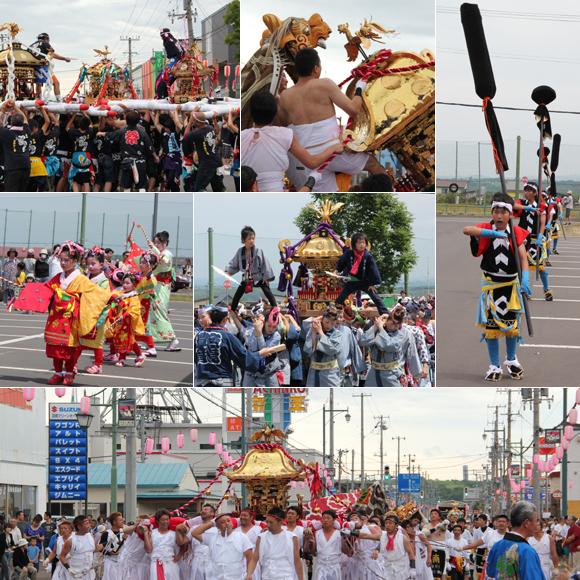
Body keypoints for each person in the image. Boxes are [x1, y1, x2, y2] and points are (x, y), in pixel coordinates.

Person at [278, 48, 388, 192]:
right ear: (316, 69)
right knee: (375, 166)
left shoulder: (286, 96)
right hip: (335, 154)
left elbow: (284, 124)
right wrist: (359, 89)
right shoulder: (325, 84)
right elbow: (353, 110)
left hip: (310, 160)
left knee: (326, 200)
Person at [463, 192, 531, 381]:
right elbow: (467, 230)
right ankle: (494, 365)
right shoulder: (486, 228)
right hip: (492, 287)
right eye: (495, 211)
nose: (499, 216)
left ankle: (511, 360)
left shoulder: (516, 232)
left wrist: (525, 278)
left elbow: (523, 257)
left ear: (510, 214)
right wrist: (493, 234)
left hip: (511, 287)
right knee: (491, 328)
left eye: (503, 212)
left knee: (511, 326)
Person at [241, 92, 343, 192]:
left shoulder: (242, 136)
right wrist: (332, 148)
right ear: (275, 113)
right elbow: (312, 162)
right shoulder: (285, 134)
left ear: (251, 113)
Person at [43, 241, 111, 385]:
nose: (63, 263)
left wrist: (112, 297)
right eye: (61, 259)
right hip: (56, 316)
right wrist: (31, 289)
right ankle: (57, 373)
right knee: (56, 346)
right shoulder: (58, 277)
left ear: (75, 262)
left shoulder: (81, 279)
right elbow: (46, 288)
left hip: (70, 319)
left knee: (69, 348)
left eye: (66, 260)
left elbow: (97, 293)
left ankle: (68, 374)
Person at [194, 302, 273, 387]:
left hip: (200, 381)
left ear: (210, 318)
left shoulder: (199, 336)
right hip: (221, 380)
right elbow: (243, 357)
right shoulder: (228, 337)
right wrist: (260, 353)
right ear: (225, 319)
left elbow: (195, 358)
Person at [342, 513, 416, 580]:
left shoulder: (402, 538)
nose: (387, 525)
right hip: (387, 569)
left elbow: (410, 553)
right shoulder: (382, 536)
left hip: (400, 569)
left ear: (396, 525)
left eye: (390, 523)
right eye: (386, 523)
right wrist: (350, 532)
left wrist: (413, 568)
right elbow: (365, 535)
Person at [512, 182, 553, 301]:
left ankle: (546, 289)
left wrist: (540, 237)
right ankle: (524, 290)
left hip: (535, 239)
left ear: (535, 193)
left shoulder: (542, 206)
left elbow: (542, 223)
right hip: (522, 238)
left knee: (539, 267)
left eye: (529, 191)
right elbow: (512, 206)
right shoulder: (521, 203)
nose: (526, 193)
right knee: (520, 265)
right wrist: (528, 208)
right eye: (525, 190)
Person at [333, 232, 389, 315]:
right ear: (354, 244)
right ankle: (333, 312)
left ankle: (385, 313)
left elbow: (372, 269)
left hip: (365, 282)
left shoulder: (367, 256)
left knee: (375, 296)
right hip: (352, 281)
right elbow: (341, 262)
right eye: (359, 243)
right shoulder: (349, 253)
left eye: (363, 242)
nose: (362, 245)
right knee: (341, 297)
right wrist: (336, 271)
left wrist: (372, 283)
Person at [185, 513, 253, 580]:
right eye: (222, 522)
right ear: (217, 526)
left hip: (237, 577)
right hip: (216, 577)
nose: (227, 523)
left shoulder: (241, 537)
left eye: (228, 521)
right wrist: (212, 523)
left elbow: (250, 557)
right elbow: (194, 533)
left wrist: (249, 574)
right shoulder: (212, 538)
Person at [485, 501, 543, 580]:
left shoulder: (497, 546)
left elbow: (490, 575)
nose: (536, 524)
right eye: (536, 521)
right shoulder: (527, 551)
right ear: (526, 522)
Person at [101, 110, 157, 192]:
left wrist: (101, 133)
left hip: (127, 162)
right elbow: (149, 146)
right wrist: (155, 156)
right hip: (140, 162)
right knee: (141, 185)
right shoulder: (142, 132)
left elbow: (110, 136)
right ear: (138, 121)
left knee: (126, 185)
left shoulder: (122, 132)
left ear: (126, 120)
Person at [225, 226, 277, 312]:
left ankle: (275, 307)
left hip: (259, 276)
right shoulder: (240, 252)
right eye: (249, 239)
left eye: (253, 238)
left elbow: (265, 263)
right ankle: (232, 310)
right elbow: (234, 263)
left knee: (267, 290)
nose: (251, 241)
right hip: (247, 277)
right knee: (238, 293)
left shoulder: (258, 250)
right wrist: (229, 271)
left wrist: (266, 277)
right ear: (243, 240)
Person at [76, 247, 110, 374]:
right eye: (88, 263)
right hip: (84, 315)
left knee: (96, 342)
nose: (89, 266)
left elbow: (104, 300)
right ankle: (73, 363)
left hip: (97, 316)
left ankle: (98, 365)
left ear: (101, 265)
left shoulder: (104, 282)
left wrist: (100, 319)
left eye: (93, 263)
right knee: (79, 342)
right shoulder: (85, 278)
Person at [246, 507, 303, 580]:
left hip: (285, 577)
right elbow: (254, 559)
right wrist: (249, 574)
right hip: (267, 576)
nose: (268, 525)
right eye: (267, 522)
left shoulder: (292, 537)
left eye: (271, 522)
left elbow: (297, 561)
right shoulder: (261, 537)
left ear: (281, 523)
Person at [147, 231, 180, 351]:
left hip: (162, 286)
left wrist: (154, 249)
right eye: (155, 242)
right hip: (156, 285)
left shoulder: (167, 255)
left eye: (158, 243)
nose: (156, 244)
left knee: (159, 312)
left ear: (165, 243)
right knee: (152, 312)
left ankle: (173, 339)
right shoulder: (159, 253)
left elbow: (162, 264)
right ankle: (149, 341)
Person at [360, 308, 409, 387]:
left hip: (391, 374)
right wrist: (375, 326)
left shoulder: (399, 335)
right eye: (391, 324)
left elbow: (388, 345)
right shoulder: (377, 329)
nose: (392, 327)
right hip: (374, 373)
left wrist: (381, 328)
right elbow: (363, 341)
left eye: (396, 326)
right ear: (387, 320)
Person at [183, 110, 225, 192]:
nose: (192, 122)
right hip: (217, 161)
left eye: (194, 120)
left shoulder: (197, 133)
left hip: (206, 164)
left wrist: (189, 123)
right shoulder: (210, 128)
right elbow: (217, 130)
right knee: (220, 188)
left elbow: (185, 136)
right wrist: (214, 120)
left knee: (199, 188)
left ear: (198, 123)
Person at [303, 306, 343, 388]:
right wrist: (314, 332)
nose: (329, 325)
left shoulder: (337, 334)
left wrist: (320, 332)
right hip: (313, 372)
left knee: (332, 397)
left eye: (332, 323)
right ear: (322, 320)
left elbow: (331, 349)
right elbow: (308, 349)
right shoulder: (315, 329)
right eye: (327, 322)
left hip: (330, 374)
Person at [29, 33, 71, 100]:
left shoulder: (31, 45)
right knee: (56, 83)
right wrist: (64, 58)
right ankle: (59, 101)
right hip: (42, 67)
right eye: (49, 40)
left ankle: (39, 100)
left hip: (32, 67)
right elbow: (52, 55)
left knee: (38, 84)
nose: (49, 42)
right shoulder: (45, 43)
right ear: (46, 39)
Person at [303, 510, 343, 580]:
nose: (325, 520)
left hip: (334, 566)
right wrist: (311, 542)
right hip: (321, 566)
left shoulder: (339, 534)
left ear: (334, 520)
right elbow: (313, 551)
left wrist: (345, 541)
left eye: (328, 518)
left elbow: (345, 551)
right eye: (323, 518)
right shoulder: (317, 533)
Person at [0, 102, 31, 191]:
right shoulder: (27, 131)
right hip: (26, 167)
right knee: (21, 195)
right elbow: (25, 119)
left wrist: (2, 111)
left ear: (11, 123)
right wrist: (14, 106)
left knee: (11, 195)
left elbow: (24, 119)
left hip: (12, 168)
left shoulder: (7, 133)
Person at [143, 509, 180, 580]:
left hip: (171, 563)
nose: (166, 522)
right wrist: (145, 535)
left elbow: (183, 544)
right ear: (157, 521)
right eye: (163, 519)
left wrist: (179, 555)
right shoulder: (152, 533)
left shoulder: (174, 533)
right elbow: (148, 550)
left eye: (167, 519)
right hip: (157, 563)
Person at [96, 512, 125, 580]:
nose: (122, 521)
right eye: (120, 520)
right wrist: (109, 553)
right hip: (111, 562)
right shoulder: (107, 534)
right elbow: (100, 548)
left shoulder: (124, 532)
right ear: (114, 522)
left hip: (122, 563)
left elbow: (119, 546)